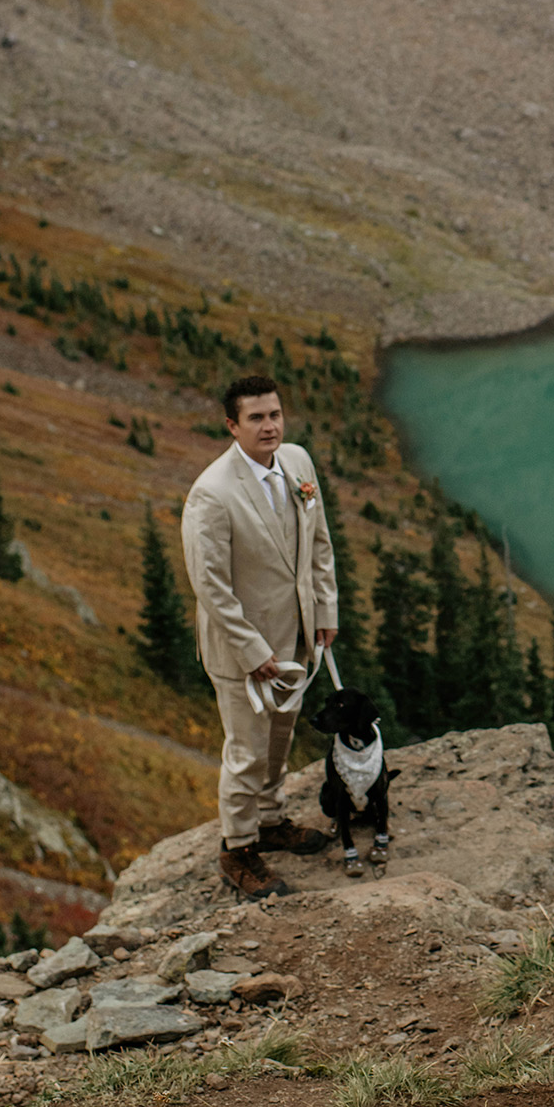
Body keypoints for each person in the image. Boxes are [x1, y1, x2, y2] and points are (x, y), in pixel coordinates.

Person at [182, 373, 337, 900]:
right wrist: (253, 652)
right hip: (242, 652)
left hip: (295, 636)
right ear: (232, 425)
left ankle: (272, 823)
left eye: (274, 414)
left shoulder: (296, 462)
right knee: (246, 752)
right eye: (256, 418)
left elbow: (318, 542)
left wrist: (324, 609)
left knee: (280, 740)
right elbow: (211, 587)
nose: (269, 426)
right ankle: (238, 849)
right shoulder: (212, 494)